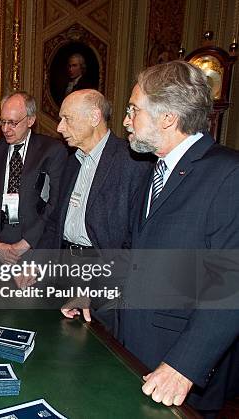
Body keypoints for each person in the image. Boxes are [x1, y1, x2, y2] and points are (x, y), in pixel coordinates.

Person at [119, 60, 239, 416]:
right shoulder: (155, 170)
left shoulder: (227, 174)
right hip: (135, 353)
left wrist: (185, 366)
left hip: (178, 372)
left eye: (133, 110)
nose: (126, 120)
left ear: (168, 118)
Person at [40, 89, 152, 331]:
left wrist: (96, 289)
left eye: (66, 118)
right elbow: (56, 220)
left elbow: (135, 240)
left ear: (94, 117)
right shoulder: (72, 161)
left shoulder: (133, 162)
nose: (59, 127)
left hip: (105, 277)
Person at [0, 91, 67, 278]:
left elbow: (54, 205)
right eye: (2, 122)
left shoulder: (52, 151)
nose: (6, 129)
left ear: (30, 120)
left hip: (33, 251)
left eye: (13, 123)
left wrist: (24, 245)